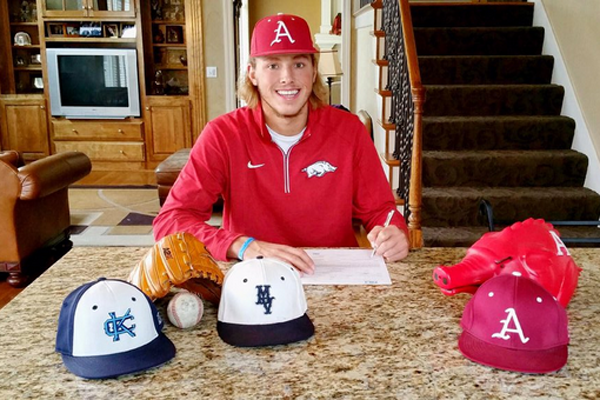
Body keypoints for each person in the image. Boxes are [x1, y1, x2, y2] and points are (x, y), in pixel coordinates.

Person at [153, 13, 410, 274]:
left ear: (313, 70)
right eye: (273, 65)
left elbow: (381, 212)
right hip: (253, 276)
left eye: (299, 64)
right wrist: (240, 245)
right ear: (252, 73)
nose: (287, 77)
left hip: (335, 277)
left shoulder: (350, 130)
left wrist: (395, 232)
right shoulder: (222, 134)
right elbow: (170, 221)